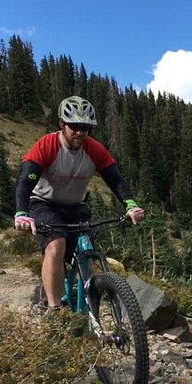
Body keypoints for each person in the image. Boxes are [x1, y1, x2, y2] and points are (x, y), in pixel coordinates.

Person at [14, 95, 144, 310]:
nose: (80, 132)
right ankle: (55, 310)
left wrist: (131, 205)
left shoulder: (95, 150)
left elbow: (116, 181)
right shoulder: (47, 145)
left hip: (76, 206)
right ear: (62, 124)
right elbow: (24, 183)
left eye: (85, 127)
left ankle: (91, 313)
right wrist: (21, 213)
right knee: (56, 245)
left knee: (86, 253)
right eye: (74, 126)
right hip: (43, 203)